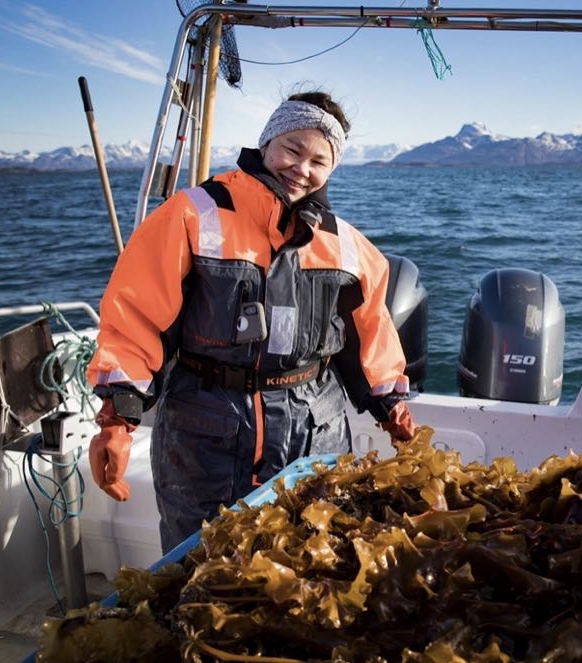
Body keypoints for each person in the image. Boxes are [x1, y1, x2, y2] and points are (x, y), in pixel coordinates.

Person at [86, 90, 416, 552]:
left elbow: (370, 337)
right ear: (267, 143)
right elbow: (136, 319)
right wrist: (117, 421)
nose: (302, 169)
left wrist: (392, 408)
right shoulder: (190, 214)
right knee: (200, 567)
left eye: (320, 160)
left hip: (314, 435)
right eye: (293, 149)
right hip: (205, 435)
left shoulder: (347, 245)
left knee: (313, 566)